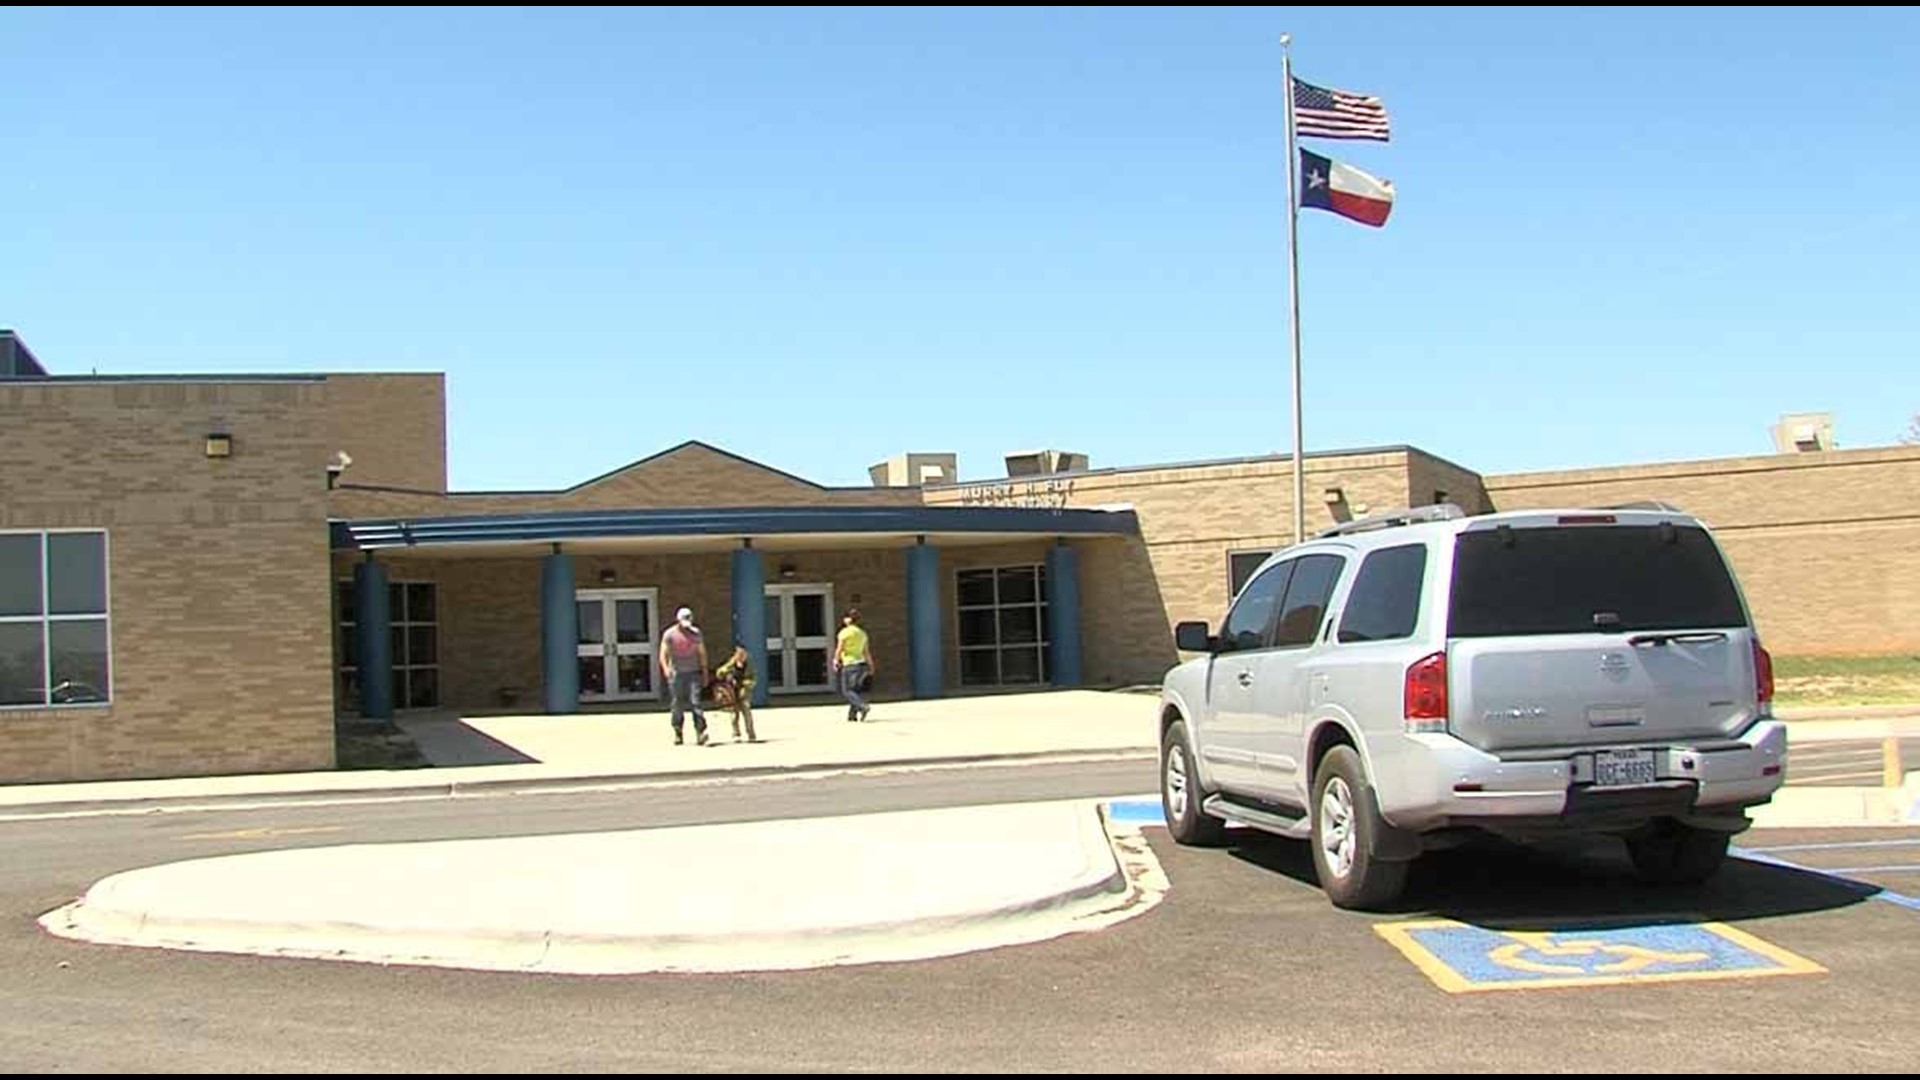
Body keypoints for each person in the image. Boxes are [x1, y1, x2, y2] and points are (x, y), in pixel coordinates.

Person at [660, 606, 710, 746]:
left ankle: (700, 732)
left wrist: (704, 671)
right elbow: (663, 653)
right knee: (677, 704)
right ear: (678, 621)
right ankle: (678, 731)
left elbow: (702, 653)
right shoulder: (669, 634)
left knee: (696, 703)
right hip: (676, 673)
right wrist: (665, 669)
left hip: (693, 672)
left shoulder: (696, 634)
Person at [831, 607, 873, 722]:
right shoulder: (862, 633)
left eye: (846, 617)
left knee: (847, 691)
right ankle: (852, 716)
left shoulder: (844, 633)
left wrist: (835, 660)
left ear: (849, 620)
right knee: (854, 690)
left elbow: (840, 648)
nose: (844, 620)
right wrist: (871, 665)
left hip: (849, 664)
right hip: (861, 664)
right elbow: (866, 651)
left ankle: (863, 707)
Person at [714, 642, 758, 743]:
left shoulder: (749, 664)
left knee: (746, 712)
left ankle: (751, 734)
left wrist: (746, 684)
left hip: (744, 691)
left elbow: (753, 678)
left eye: (743, 653)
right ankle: (736, 733)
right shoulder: (732, 663)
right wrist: (727, 670)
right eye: (739, 653)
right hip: (732, 691)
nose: (741, 655)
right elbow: (719, 673)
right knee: (734, 714)